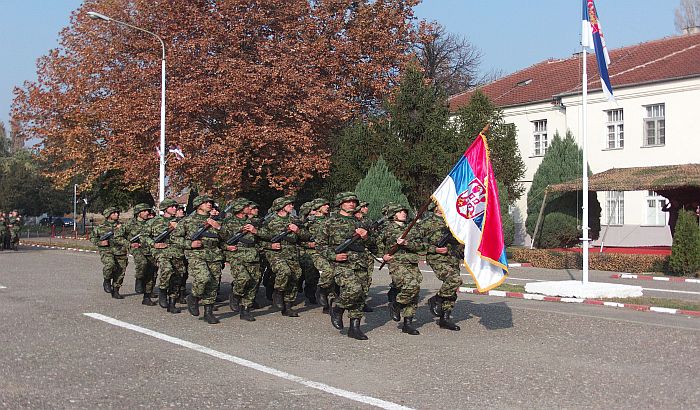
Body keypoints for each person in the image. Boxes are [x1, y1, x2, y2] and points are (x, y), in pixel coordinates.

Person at [317, 192, 370, 340]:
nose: (352, 204)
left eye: (353, 201)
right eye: (348, 201)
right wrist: (333, 256)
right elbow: (320, 245)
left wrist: (366, 237)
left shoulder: (360, 223)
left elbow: (371, 245)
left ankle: (354, 327)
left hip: (360, 262)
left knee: (361, 295)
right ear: (340, 203)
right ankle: (338, 308)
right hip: (341, 263)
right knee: (354, 289)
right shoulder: (330, 222)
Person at [173, 195, 224, 325]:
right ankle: (193, 297)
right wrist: (189, 244)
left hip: (214, 254)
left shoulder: (216, 220)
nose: (209, 204)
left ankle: (208, 312)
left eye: (210, 202)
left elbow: (227, 237)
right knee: (203, 278)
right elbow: (175, 238)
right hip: (196, 254)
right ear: (198, 205)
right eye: (206, 202)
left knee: (213, 284)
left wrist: (218, 227)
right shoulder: (187, 221)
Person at [378, 202, 425, 336]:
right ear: (393, 215)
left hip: (411, 262)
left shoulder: (412, 228)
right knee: (411, 285)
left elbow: (421, 246)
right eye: (400, 212)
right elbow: (377, 243)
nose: (403, 213)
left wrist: (407, 243)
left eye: (404, 211)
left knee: (414, 293)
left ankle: (407, 323)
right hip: (396, 263)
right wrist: (383, 255)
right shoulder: (387, 228)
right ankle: (396, 305)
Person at [257, 196, 302, 317]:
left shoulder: (295, 220)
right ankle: (278, 291)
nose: (292, 206)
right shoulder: (269, 221)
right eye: (289, 204)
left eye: (292, 204)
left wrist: (297, 231)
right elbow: (258, 239)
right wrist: (270, 246)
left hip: (291, 252)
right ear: (281, 206)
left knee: (295, 276)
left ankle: (288, 306)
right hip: (275, 253)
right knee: (284, 271)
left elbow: (306, 236)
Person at [421, 203, 463, 331]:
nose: (442, 207)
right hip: (437, 258)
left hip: (453, 257)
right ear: (434, 207)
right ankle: (436, 299)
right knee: (454, 280)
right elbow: (416, 241)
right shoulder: (427, 222)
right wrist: (434, 249)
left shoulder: (453, 220)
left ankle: (445, 318)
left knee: (452, 287)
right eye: (440, 204)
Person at [220, 198, 259, 321]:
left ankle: (245, 310)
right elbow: (219, 239)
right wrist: (226, 247)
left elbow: (266, 236)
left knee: (253, 282)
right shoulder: (228, 222)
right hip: (236, 255)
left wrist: (255, 231)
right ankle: (236, 295)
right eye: (247, 206)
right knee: (243, 278)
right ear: (240, 208)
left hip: (252, 254)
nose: (250, 208)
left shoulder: (254, 222)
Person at [144, 198, 185, 313]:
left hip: (177, 251)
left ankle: (172, 302)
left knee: (178, 276)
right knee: (167, 269)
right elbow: (144, 236)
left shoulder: (181, 222)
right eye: (172, 207)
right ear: (165, 209)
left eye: (175, 207)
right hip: (161, 251)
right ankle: (162, 290)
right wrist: (154, 244)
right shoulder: (153, 221)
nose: (175, 209)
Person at [124, 203, 159, 306]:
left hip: (150, 249)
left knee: (152, 272)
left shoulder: (151, 223)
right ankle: (139, 278)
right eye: (144, 211)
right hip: (137, 249)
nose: (147, 213)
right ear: (138, 213)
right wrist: (129, 244)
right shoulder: (130, 224)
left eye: (148, 211)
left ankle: (147, 296)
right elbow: (118, 236)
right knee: (142, 263)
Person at [91, 207, 129, 299]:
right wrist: (100, 243)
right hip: (107, 250)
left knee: (120, 272)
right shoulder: (100, 227)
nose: (117, 214)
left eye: (117, 213)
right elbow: (92, 238)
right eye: (114, 213)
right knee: (110, 264)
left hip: (120, 251)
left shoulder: (122, 226)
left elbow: (128, 236)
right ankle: (107, 280)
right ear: (108, 215)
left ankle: (116, 290)